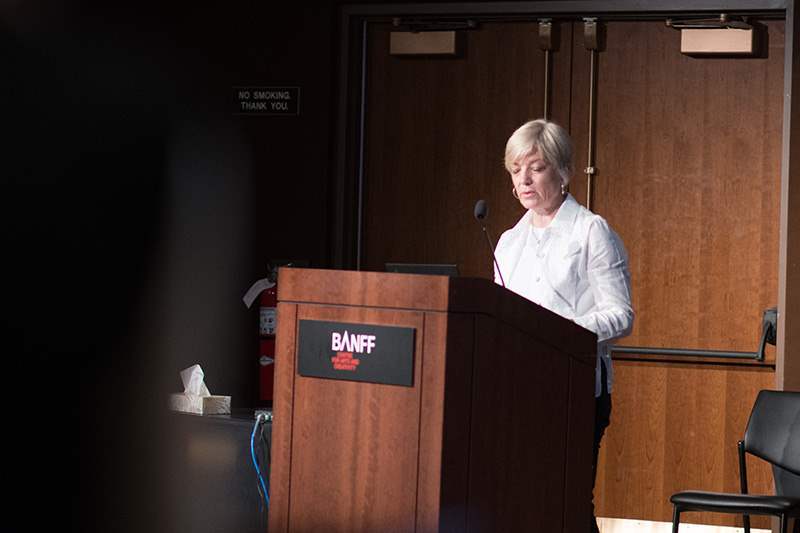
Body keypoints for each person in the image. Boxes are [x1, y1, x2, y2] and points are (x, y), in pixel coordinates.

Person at [494, 118, 634, 533]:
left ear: (564, 172)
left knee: (566, 502)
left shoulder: (591, 232)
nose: (524, 180)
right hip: (517, 390)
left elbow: (620, 314)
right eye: (516, 169)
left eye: (535, 168)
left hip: (576, 390)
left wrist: (557, 330)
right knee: (522, 501)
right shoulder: (508, 241)